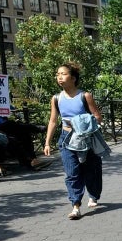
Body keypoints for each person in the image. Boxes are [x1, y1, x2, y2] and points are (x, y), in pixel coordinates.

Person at [44, 63, 104, 220]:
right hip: (66, 139)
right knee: (72, 173)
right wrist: (47, 143)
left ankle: (94, 194)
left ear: (73, 78)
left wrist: (81, 121)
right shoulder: (56, 98)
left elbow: (97, 117)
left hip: (86, 138)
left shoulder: (85, 96)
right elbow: (53, 121)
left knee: (91, 169)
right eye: (58, 74)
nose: (59, 77)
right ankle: (75, 206)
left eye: (63, 74)